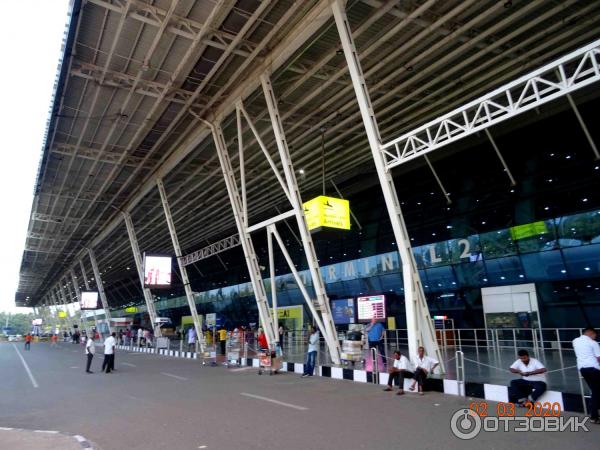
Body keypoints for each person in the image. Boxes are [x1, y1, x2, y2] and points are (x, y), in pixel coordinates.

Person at [572, 327, 600, 424]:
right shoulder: (593, 343)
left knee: (595, 390)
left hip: (583, 369)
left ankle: (595, 412)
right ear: (591, 333)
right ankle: (594, 416)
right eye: (595, 335)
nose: (595, 338)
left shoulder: (575, 341)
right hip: (594, 369)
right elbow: (599, 358)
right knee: (596, 392)